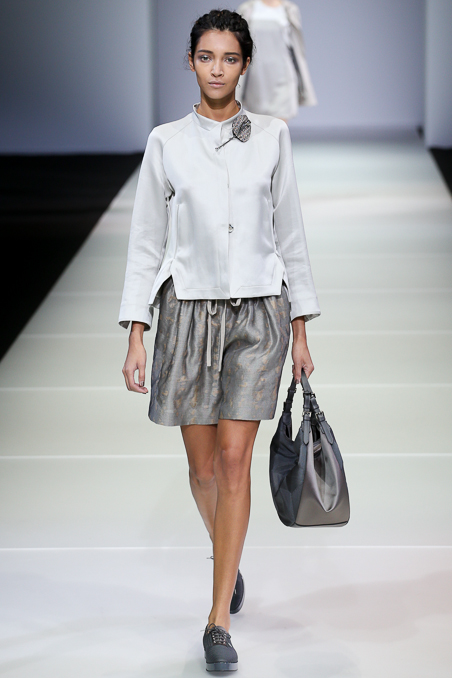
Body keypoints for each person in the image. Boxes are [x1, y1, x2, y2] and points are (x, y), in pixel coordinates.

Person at [119, 9, 320, 673]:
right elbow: (146, 240)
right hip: (186, 314)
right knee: (203, 469)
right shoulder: (166, 142)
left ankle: (217, 620)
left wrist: (300, 325)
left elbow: (290, 232)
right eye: (206, 56)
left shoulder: (272, 138)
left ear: (245, 65)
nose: (216, 69)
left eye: (229, 58)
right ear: (190, 61)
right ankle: (227, 561)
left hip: (258, 314)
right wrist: (136, 330)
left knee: (235, 463)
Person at [237, 0, 317, 121]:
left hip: (283, 75)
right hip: (257, 78)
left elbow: (296, 47)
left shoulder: (290, 9)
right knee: (259, 124)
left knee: (280, 125)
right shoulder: (247, 9)